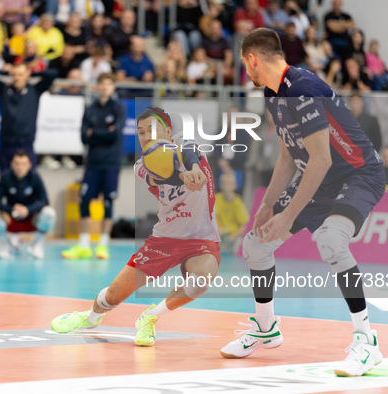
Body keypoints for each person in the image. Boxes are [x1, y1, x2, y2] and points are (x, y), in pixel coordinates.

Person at [220, 28, 386, 378]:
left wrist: (289, 215)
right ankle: (266, 329)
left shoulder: (305, 89)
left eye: (244, 65)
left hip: (358, 175)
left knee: (330, 239)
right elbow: (287, 154)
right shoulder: (272, 92)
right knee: (256, 245)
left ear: (253, 59)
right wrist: (268, 205)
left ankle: (366, 341)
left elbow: (321, 160)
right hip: (321, 179)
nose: (245, 73)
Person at [53, 107, 221, 347]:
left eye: (151, 129)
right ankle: (89, 318)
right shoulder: (141, 166)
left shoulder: (185, 140)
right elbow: (162, 175)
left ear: (168, 131)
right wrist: (183, 177)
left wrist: (193, 169)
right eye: (140, 132)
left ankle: (151, 316)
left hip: (201, 238)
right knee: (112, 297)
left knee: (201, 280)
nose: (144, 136)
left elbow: (190, 153)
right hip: (164, 239)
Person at [62, 73, 126, 260]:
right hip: (93, 163)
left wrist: (94, 133)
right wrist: (105, 132)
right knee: (84, 200)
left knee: (107, 202)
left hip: (111, 162)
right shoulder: (90, 109)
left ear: (113, 87)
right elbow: (83, 136)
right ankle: (83, 245)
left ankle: (102, 245)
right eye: (102, 84)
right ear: (97, 87)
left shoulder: (119, 108)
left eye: (108, 84)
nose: (105, 87)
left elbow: (116, 134)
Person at [0, 63, 58, 173]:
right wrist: (6, 72)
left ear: (27, 75)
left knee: (29, 177)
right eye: (15, 75)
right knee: (5, 177)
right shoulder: (4, 89)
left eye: (20, 75)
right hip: (6, 142)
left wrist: (32, 73)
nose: (17, 78)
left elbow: (53, 74)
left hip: (25, 142)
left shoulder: (35, 90)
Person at [0, 150, 56, 258]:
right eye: (17, 164)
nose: (20, 167)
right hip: (11, 219)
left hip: (31, 219)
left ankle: (37, 243)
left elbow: (45, 200)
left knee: (49, 212)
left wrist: (28, 209)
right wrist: (11, 209)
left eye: (23, 164)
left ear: (29, 165)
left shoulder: (35, 177)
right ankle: (6, 244)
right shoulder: (5, 177)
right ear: (12, 164)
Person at [215, 173, 250, 251]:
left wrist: (233, 237)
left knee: (240, 244)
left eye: (230, 184)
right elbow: (213, 217)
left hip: (233, 237)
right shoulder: (217, 198)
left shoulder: (238, 203)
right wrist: (217, 230)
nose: (227, 187)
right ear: (221, 185)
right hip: (219, 235)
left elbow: (244, 224)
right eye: (225, 184)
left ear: (235, 186)